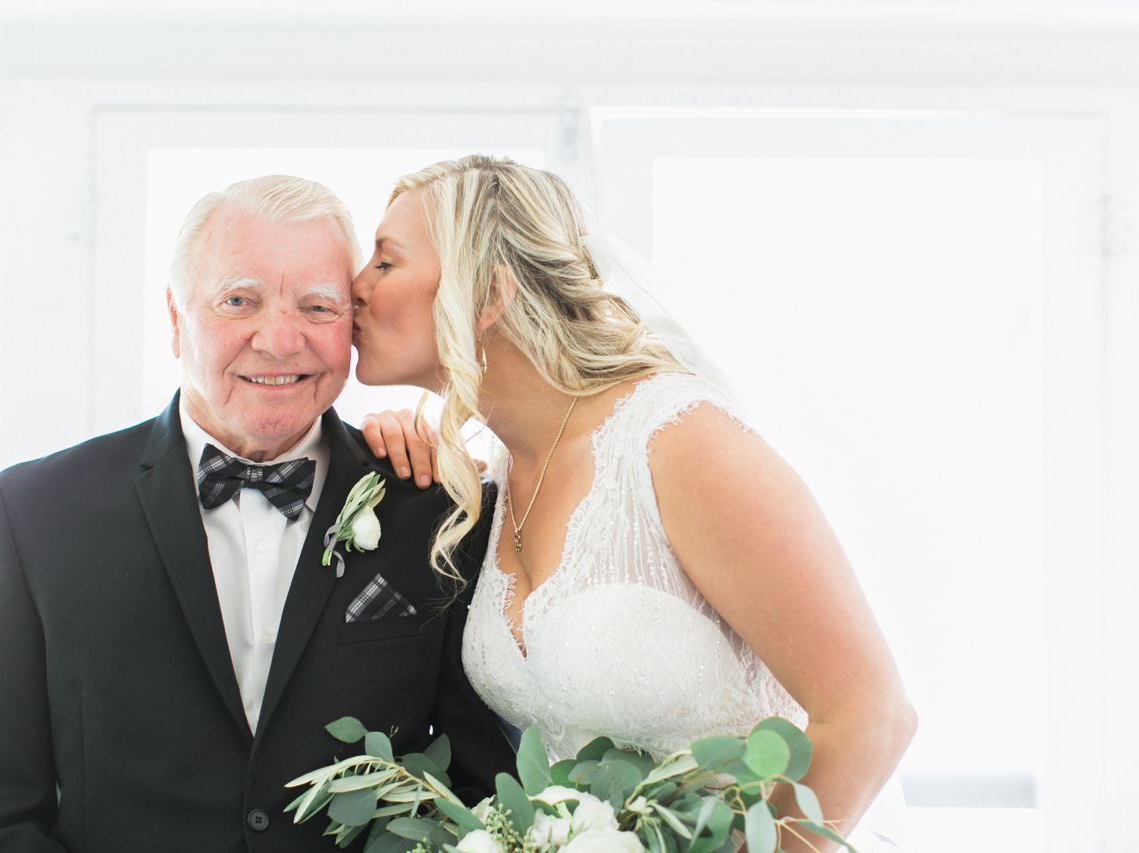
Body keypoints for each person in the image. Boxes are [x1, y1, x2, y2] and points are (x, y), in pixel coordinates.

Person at [0, 175, 514, 853]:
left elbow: (481, 792)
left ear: (351, 326)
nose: (281, 340)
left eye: (318, 306)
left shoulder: (438, 511)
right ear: (176, 319)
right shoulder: (34, 514)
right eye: (240, 301)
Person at [353, 155, 917, 851]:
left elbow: (871, 716)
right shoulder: (498, 480)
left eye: (385, 262)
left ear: (489, 293)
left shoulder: (676, 441)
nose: (354, 286)